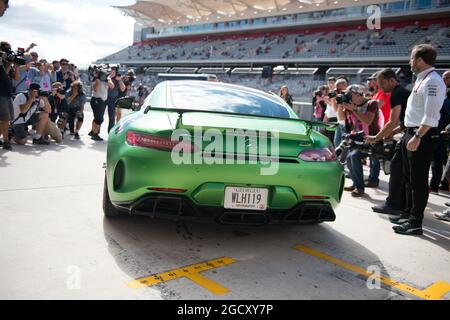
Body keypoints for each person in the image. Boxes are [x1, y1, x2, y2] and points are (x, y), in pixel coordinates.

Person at [391, 44, 446, 236]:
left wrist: (417, 136)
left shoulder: (433, 81)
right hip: (412, 132)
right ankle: (407, 214)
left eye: (412, 58)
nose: (409, 62)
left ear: (420, 60)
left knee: (418, 181)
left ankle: (415, 223)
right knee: (408, 178)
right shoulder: (422, 79)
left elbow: (431, 115)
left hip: (421, 135)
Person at [367, 68, 411, 215]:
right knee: (404, 172)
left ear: (392, 80)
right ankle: (403, 205)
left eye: (383, 83)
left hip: (412, 135)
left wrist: (376, 137)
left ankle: (393, 204)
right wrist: (392, 133)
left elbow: (392, 121)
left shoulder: (396, 94)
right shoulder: (403, 92)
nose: (382, 87)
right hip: (412, 132)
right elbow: (405, 122)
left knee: (397, 169)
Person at [342, 84, 380, 197]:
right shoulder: (351, 105)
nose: (347, 96)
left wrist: (354, 110)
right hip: (358, 137)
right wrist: (343, 108)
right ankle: (356, 183)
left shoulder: (372, 103)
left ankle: (360, 187)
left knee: (353, 156)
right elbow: (348, 124)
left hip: (372, 138)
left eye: (350, 94)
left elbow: (368, 121)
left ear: (359, 95)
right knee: (349, 159)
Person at [430, 70, 450, 192]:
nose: (443, 80)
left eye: (446, 78)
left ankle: (434, 185)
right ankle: (443, 184)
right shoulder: (444, 93)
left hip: (443, 132)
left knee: (437, 159)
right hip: (441, 131)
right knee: (442, 160)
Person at [0, 41, 19, 150]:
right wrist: (8, 63)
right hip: (1, 93)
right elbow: (3, 75)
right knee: (5, 119)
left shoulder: (8, 63)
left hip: (7, 94)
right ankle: (6, 141)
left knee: (6, 118)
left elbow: (16, 78)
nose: (8, 51)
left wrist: (15, 66)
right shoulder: (2, 63)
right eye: (5, 48)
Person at [89, 68, 114, 141]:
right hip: (96, 100)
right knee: (99, 118)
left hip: (102, 101)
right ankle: (95, 134)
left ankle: (93, 131)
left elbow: (112, 86)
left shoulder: (105, 80)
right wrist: (98, 81)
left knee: (97, 117)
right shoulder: (95, 80)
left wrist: (107, 78)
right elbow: (96, 89)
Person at [105, 66, 126, 132]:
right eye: (112, 70)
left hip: (115, 99)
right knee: (108, 116)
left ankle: (113, 131)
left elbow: (123, 89)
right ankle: (99, 132)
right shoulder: (107, 77)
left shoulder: (118, 78)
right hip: (107, 98)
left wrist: (119, 80)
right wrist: (110, 77)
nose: (113, 71)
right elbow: (109, 86)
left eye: (114, 70)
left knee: (115, 116)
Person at [332, 78, 348, 147]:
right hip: (339, 122)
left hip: (345, 124)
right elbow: (335, 109)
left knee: (343, 145)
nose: (338, 91)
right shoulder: (340, 96)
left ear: (345, 85)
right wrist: (334, 98)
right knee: (336, 143)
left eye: (339, 89)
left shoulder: (349, 95)